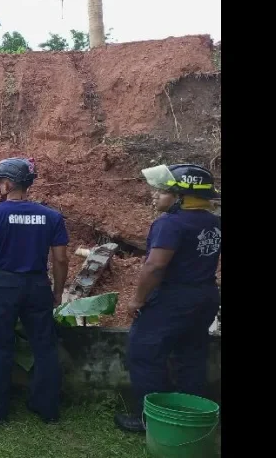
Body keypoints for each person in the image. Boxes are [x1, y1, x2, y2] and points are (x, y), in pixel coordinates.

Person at [0, 157, 69, 425]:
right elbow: (61, 259)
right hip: (37, 285)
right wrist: (57, 291)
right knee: (44, 346)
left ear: (7, 183)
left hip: (4, 284)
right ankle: (47, 408)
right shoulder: (51, 216)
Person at [115, 164, 221, 433]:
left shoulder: (170, 224)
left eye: (163, 191)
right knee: (191, 356)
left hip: (173, 298)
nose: (155, 195)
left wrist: (138, 299)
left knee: (144, 352)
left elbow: (155, 266)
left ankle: (149, 418)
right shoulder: (213, 222)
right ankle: (189, 417)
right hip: (205, 295)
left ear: (181, 196)